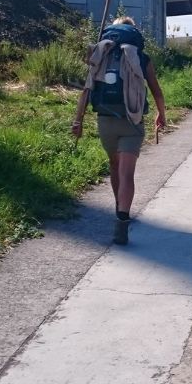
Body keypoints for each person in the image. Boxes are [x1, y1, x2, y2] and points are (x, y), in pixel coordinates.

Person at [71, 16, 166, 245]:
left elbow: (87, 90)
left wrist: (78, 120)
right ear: (133, 34)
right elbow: (156, 90)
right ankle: (122, 221)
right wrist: (161, 114)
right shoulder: (141, 57)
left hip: (105, 121)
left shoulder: (101, 54)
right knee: (126, 173)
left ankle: (118, 207)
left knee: (114, 166)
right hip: (132, 120)